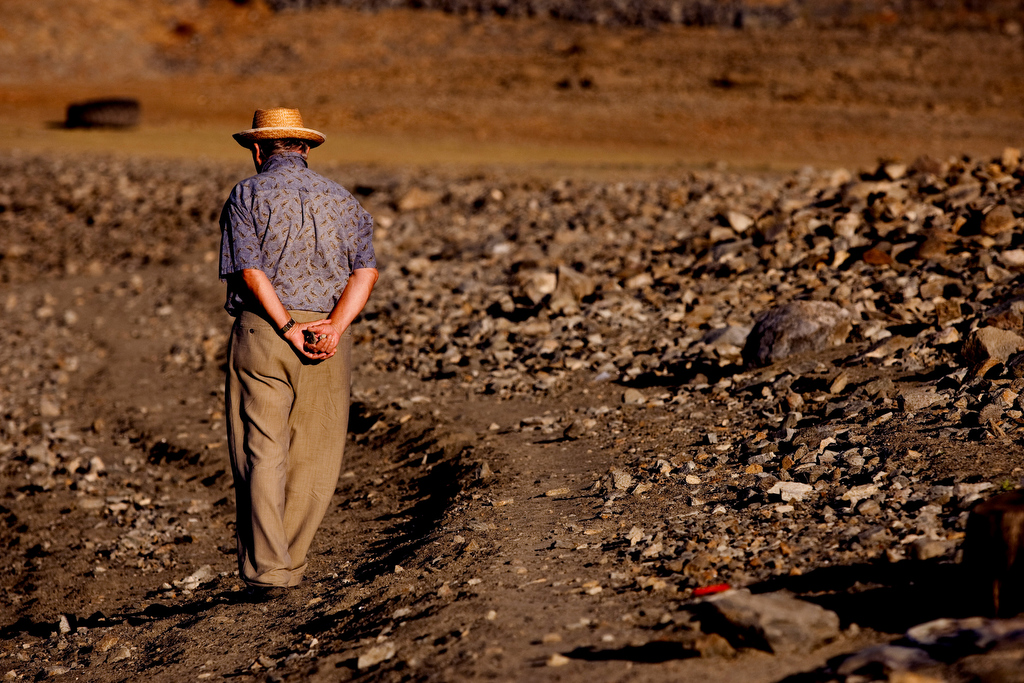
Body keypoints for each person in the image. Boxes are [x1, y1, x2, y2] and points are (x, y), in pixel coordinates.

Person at [219, 107, 378, 595]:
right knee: (317, 453)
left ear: (259, 150)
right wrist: (333, 325)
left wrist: (285, 324)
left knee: (261, 449)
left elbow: (249, 269)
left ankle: (267, 567)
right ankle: (288, 564)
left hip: (265, 333)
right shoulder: (344, 199)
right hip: (328, 338)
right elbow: (365, 272)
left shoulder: (247, 193)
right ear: (304, 149)